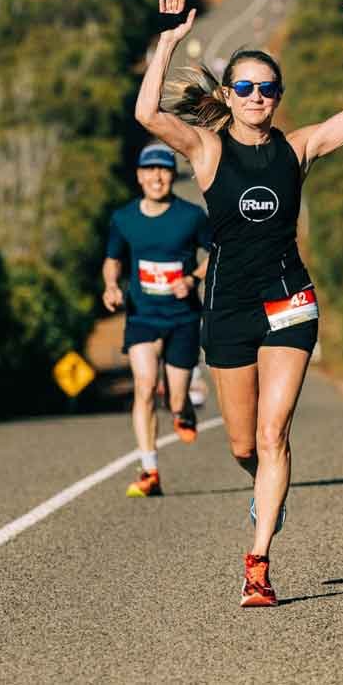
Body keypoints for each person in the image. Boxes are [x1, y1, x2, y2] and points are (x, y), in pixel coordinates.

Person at [135, 0, 343, 606]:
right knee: (245, 444)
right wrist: (167, 43)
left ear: (278, 96)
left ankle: (258, 562)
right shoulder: (207, 148)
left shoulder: (296, 148)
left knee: (275, 436)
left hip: (289, 301)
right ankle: (269, 486)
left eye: (267, 88)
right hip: (228, 309)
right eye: (245, 88)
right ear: (228, 95)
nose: (257, 97)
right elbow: (147, 115)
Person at [103, 142, 211, 498]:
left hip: (182, 317)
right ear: (139, 176)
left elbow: (217, 253)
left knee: (176, 400)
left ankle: (183, 412)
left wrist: (193, 279)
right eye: (149, 170)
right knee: (145, 385)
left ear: (171, 176)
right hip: (142, 316)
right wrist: (111, 287)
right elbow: (113, 260)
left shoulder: (192, 216)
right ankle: (149, 470)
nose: (157, 177)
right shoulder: (124, 219)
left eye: (163, 170)